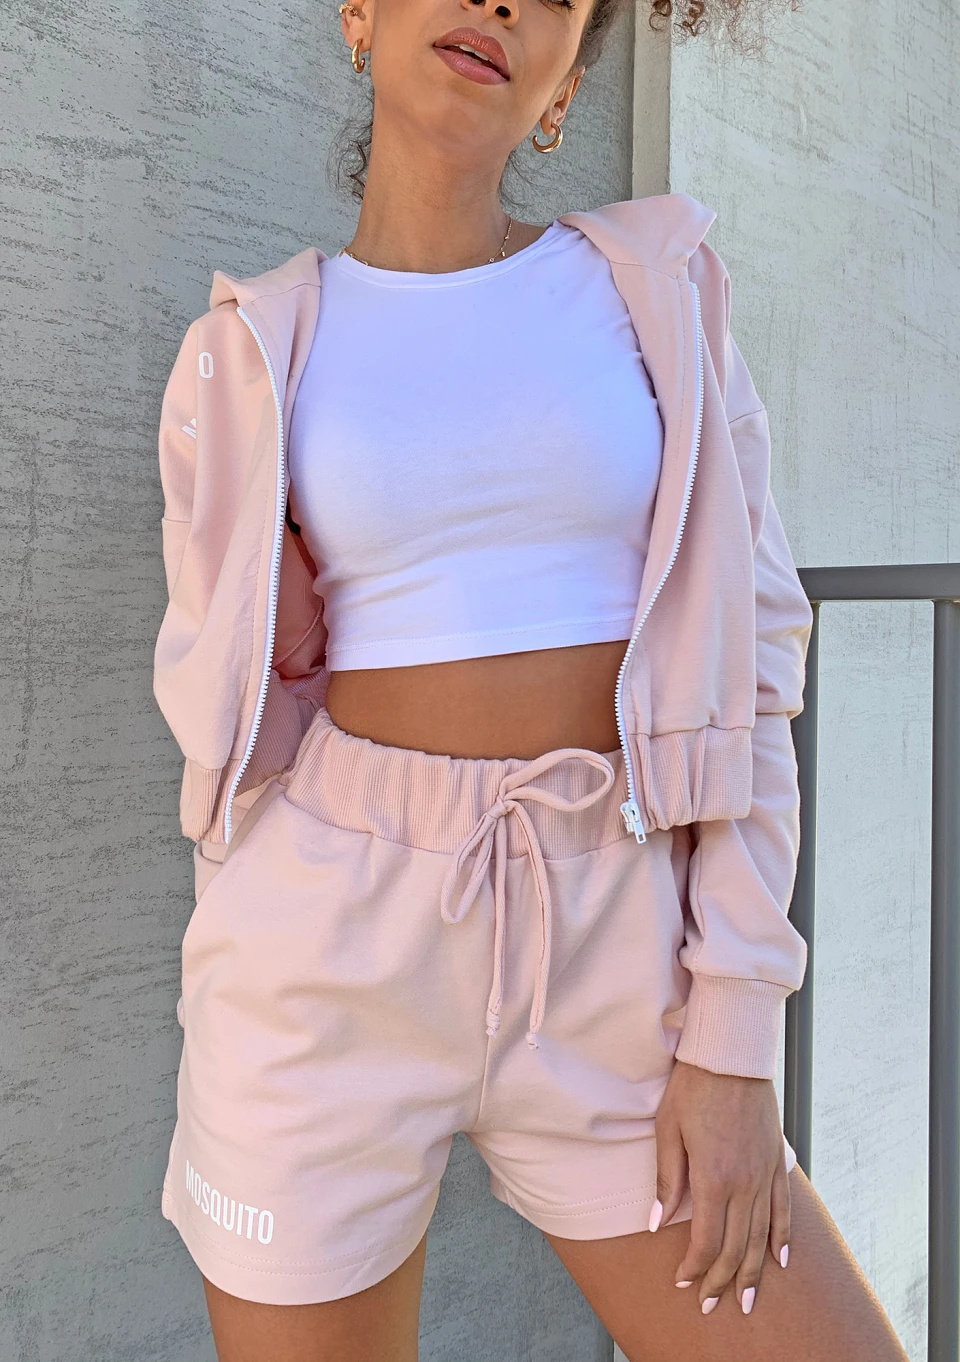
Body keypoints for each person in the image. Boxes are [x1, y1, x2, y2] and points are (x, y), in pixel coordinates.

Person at [152, 0, 912, 1358]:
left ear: (563, 88)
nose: (503, 2)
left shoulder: (654, 297)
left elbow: (755, 666)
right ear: (360, 14)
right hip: (321, 952)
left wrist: (735, 1033)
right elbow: (223, 702)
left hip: (617, 949)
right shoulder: (249, 351)